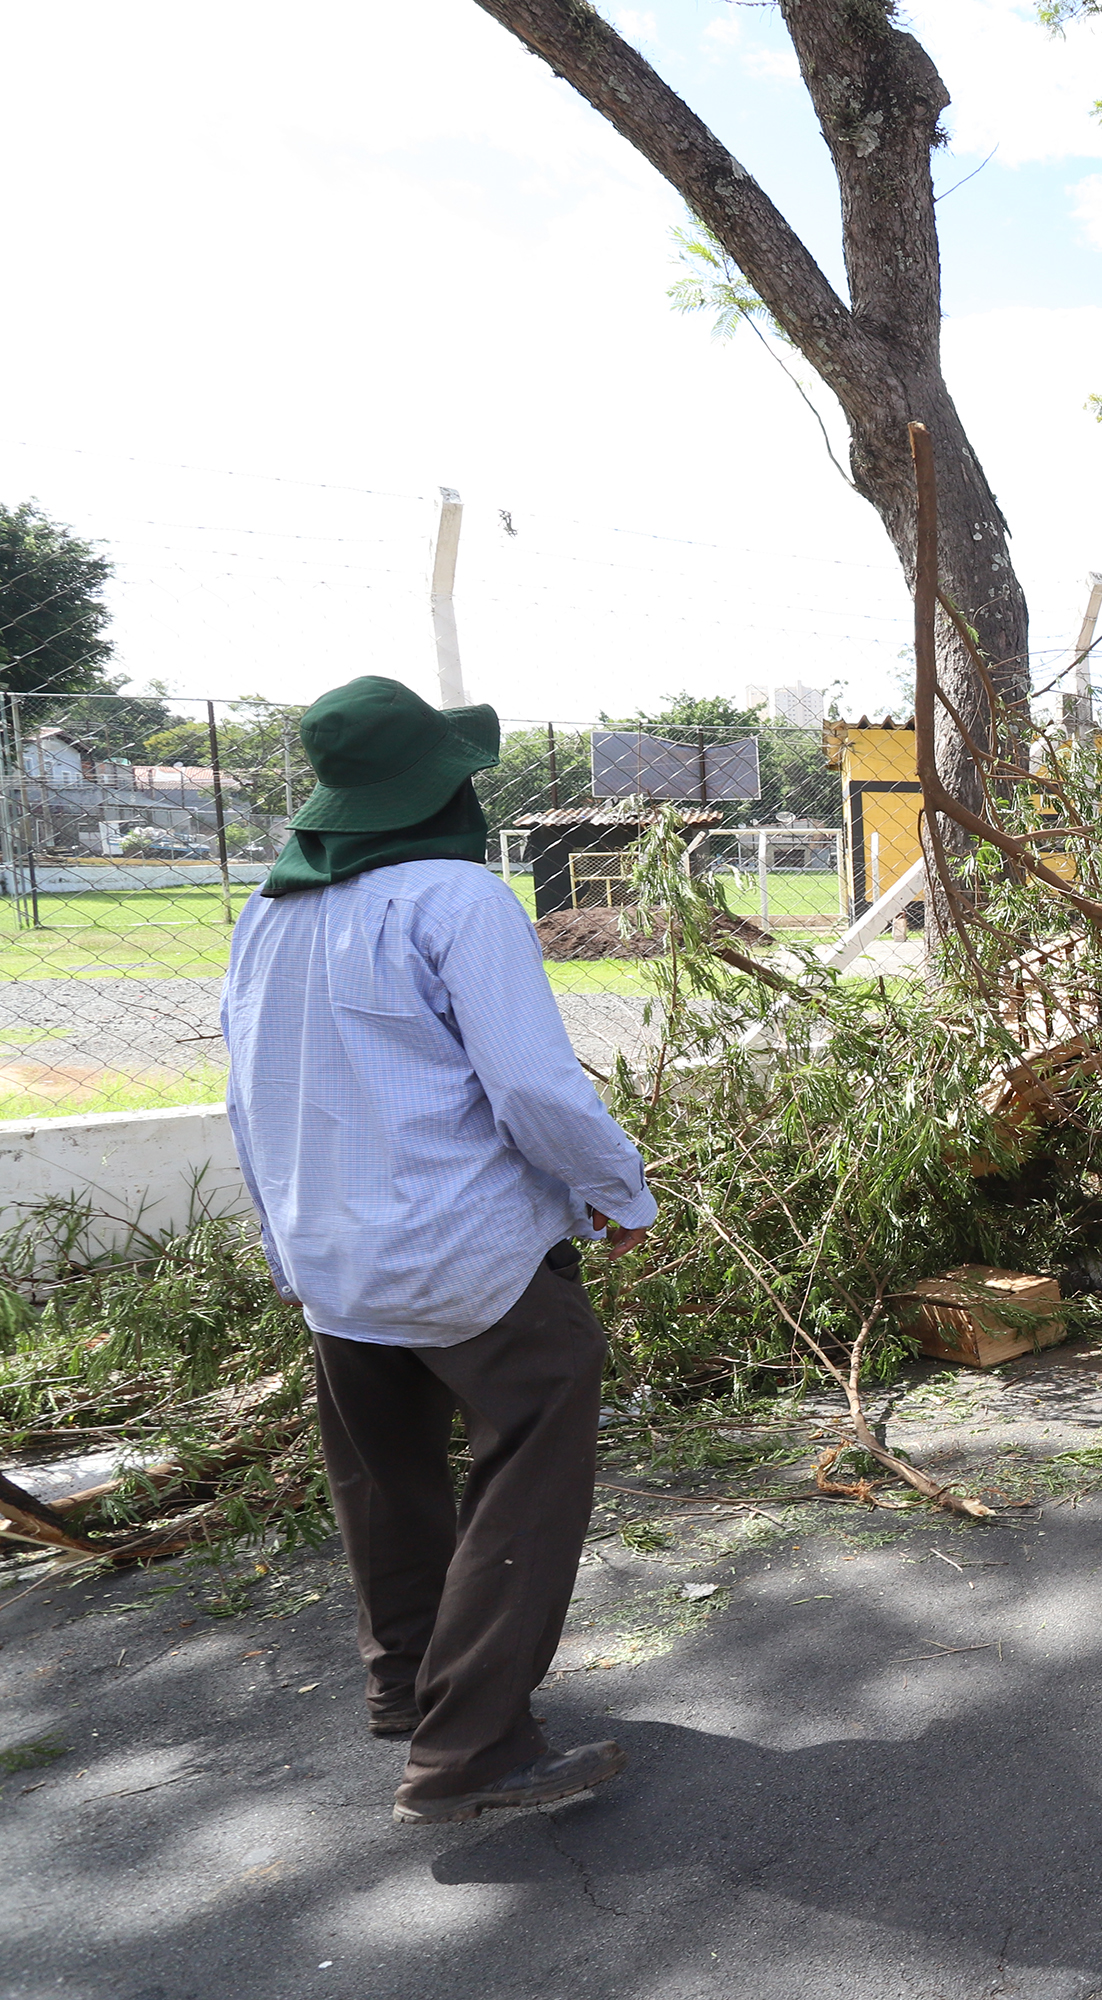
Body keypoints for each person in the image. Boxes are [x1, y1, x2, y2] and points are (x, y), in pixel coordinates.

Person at [222, 677, 656, 1825]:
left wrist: (283, 1243)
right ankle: (472, 1747)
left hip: (330, 1250)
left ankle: (409, 1685)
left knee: (384, 1473)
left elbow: (246, 1092)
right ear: (438, 787)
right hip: (465, 1250)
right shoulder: (458, 898)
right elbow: (531, 1087)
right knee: (533, 1454)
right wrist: (617, 1188)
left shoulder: (270, 909)